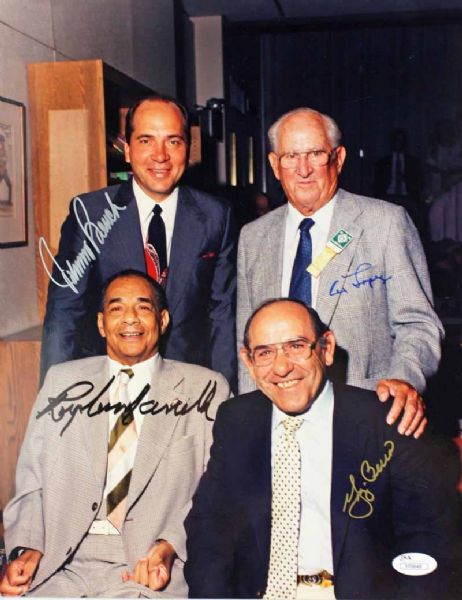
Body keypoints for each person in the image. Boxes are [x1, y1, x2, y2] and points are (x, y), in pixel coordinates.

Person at [185, 299, 462, 599]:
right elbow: (208, 530)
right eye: (265, 353)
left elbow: (431, 541)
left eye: (296, 346)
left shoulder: (387, 420)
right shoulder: (236, 420)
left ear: (326, 348)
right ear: (249, 362)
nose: (281, 367)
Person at [2, 270, 230, 597]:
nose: (130, 319)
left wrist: (169, 545)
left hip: (147, 567)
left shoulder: (206, 388)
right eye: (116, 308)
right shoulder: (62, 382)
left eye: (143, 307)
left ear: (162, 320)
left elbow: (216, 493)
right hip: (59, 563)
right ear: (100, 323)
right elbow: (31, 479)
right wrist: (28, 547)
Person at [237, 107, 444, 436]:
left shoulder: (385, 223)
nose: (303, 169)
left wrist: (404, 379)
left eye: (316, 153)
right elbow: (246, 345)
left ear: (339, 157)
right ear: (276, 165)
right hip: (278, 422)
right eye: (291, 156)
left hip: (366, 417)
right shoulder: (253, 237)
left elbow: (418, 324)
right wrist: (249, 422)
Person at [40, 93, 237, 389]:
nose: (160, 156)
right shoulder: (91, 214)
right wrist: (55, 399)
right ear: (127, 149)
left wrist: (226, 396)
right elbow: (64, 314)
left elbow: (222, 316)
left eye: (173, 141)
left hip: (188, 387)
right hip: (107, 386)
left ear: (188, 149)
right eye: (146, 141)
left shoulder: (216, 217)